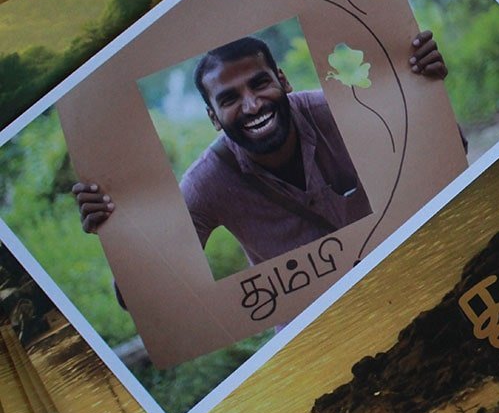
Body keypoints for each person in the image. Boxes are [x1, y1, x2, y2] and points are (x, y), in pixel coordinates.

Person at [73, 30, 447, 266]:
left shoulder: (343, 113)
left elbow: (442, 158)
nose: (252, 106)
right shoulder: (207, 182)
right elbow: (154, 286)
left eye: (259, 84)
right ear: (214, 118)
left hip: (402, 268)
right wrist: (119, 232)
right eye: (230, 99)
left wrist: (424, 93)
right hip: (313, 329)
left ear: (283, 81)